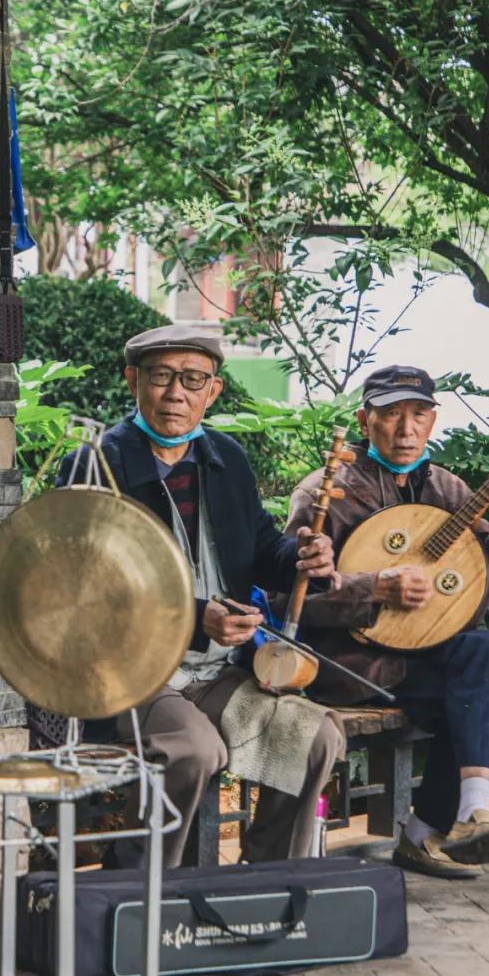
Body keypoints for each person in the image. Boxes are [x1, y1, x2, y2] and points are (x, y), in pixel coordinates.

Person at [57, 323, 343, 866]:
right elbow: (81, 589)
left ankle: (267, 879)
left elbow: (260, 543)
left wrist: (302, 557)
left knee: (314, 738)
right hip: (129, 672)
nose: (176, 393)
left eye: (193, 379)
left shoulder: (225, 459)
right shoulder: (97, 464)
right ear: (132, 381)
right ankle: (141, 891)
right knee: (193, 750)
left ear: (213, 390)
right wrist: (194, 619)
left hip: (216, 668)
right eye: (161, 376)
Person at [286, 364, 489, 879]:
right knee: (476, 702)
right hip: (355, 661)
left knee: (487, 655)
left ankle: (472, 813)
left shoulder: (446, 488)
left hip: (427, 650)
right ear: (364, 419)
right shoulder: (329, 489)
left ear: (433, 421)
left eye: (419, 415)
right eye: (391, 415)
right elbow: (290, 596)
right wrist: (374, 586)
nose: (406, 430)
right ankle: (425, 833)